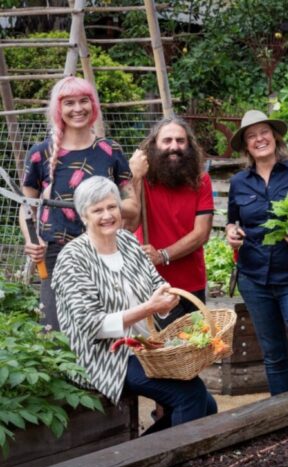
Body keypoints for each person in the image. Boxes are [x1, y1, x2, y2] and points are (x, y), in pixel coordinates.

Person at [52, 176, 217, 434]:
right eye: (97, 210)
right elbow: (91, 325)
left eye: (112, 207)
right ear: (83, 216)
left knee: (207, 404)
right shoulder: (73, 258)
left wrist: (165, 296)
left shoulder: (128, 242)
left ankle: (146, 457)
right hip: (105, 356)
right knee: (191, 394)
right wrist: (150, 308)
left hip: (143, 347)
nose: (107, 215)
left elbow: (155, 282)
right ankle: (174, 466)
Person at [20, 76, 138, 330]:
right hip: (56, 254)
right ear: (58, 110)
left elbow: (133, 206)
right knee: (56, 331)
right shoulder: (40, 154)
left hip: (104, 252)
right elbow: (26, 205)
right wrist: (31, 239)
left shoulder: (110, 150)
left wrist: (103, 208)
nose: (77, 109)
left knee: (107, 329)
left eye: (84, 101)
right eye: (69, 103)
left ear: (93, 105)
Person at [225, 110, 288, 396]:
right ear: (246, 145)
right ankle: (281, 417)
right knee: (273, 353)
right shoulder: (238, 183)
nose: (259, 139)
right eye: (252, 136)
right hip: (254, 278)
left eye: (264, 132)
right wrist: (231, 232)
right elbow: (234, 220)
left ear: (275, 136)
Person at [129, 117, 214, 326]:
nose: (174, 146)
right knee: (162, 351)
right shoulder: (144, 179)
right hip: (152, 283)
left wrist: (163, 255)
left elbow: (201, 233)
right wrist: (135, 177)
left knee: (195, 347)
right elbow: (130, 224)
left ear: (189, 145)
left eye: (180, 140)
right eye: (167, 141)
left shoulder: (201, 180)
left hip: (191, 282)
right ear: (154, 145)